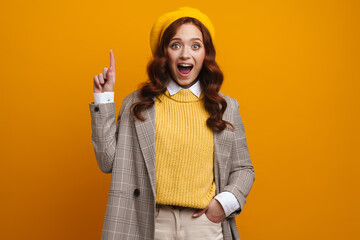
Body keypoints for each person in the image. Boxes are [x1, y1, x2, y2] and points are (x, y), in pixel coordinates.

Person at [89, 7, 255, 240]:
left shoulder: (225, 107)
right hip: (149, 223)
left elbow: (243, 169)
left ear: (205, 54)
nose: (185, 54)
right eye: (176, 45)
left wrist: (223, 203)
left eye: (195, 45)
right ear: (163, 53)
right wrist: (104, 98)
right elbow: (108, 162)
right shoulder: (137, 104)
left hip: (204, 225)